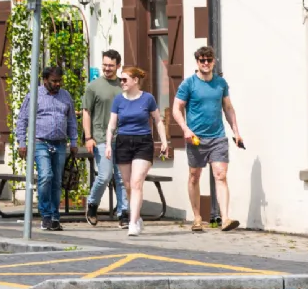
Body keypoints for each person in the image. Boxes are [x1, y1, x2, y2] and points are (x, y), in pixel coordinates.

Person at [173, 46, 244, 233]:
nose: (205, 63)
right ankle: (197, 217)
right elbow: (176, 108)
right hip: (195, 138)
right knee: (194, 176)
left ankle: (225, 218)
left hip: (217, 137)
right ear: (197, 62)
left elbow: (228, 108)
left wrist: (236, 132)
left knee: (220, 175)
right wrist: (185, 130)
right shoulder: (188, 84)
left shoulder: (221, 83)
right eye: (202, 60)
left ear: (214, 61)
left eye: (209, 60)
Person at [105, 66, 169, 236]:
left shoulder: (148, 99)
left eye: (125, 79)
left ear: (135, 80)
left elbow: (158, 120)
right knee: (127, 185)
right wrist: (108, 144)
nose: (122, 82)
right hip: (123, 142)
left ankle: (132, 222)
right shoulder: (118, 100)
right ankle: (137, 216)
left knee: (136, 182)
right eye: (121, 80)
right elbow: (112, 124)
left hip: (143, 142)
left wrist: (164, 141)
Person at [14, 65, 78, 231]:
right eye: (54, 81)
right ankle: (45, 215)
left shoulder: (65, 96)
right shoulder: (34, 95)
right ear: (44, 80)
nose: (57, 84)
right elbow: (22, 120)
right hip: (40, 142)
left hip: (60, 143)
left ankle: (55, 216)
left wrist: (74, 141)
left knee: (57, 181)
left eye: (59, 81)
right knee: (46, 176)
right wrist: (22, 142)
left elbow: (71, 120)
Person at [83, 50, 128, 228]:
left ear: (118, 66)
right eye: (105, 65)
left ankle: (123, 213)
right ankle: (92, 204)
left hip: (122, 138)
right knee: (105, 175)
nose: (107, 68)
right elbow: (86, 112)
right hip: (101, 138)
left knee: (122, 178)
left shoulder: (123, 85)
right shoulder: (93, 87)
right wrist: (88, 137)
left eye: (111, 65)